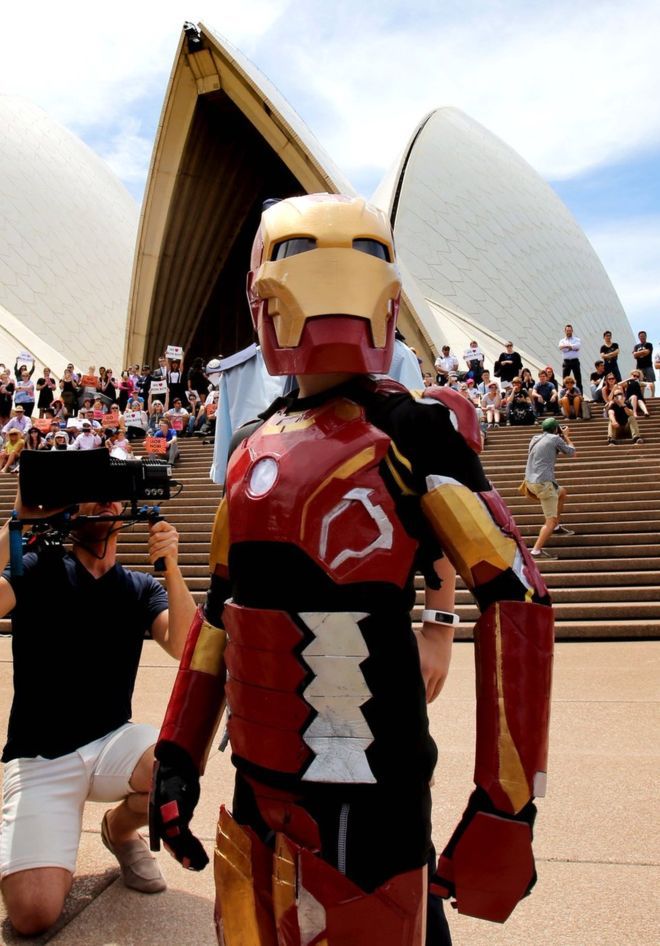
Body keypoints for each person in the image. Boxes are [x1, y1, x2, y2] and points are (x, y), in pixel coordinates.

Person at [149, 194, 554, 945]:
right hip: (259, 776)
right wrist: (178, 752)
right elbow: (220, 611)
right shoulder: (252, 446)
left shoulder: (412, 430)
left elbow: (516, 595)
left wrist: (508, 803)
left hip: (366, 784)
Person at [0, 487, 196, 936]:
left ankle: (120, 832)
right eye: (90, 492)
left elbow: (182, 645)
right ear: (69, 508)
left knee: (174, 767)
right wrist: (15, 520)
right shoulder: (37, 567)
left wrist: (172, 567)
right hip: (40, 757)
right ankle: (31, 846)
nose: (104, 499)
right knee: (32, 915)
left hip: (112, 742)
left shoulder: (139, 586)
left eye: (111, 492)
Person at [522, 417, 576, 560]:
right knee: (549, 521)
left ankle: (556, 527)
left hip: (530, 481)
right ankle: (536, 551)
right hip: (544, 484)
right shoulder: (555, 439)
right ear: (556, 429)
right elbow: (572, 452)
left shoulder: (534, 438)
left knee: (562, 492)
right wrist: (566, 436)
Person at [558, 324, 582, 391]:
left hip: (575, 361)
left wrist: (566, 347)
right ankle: (564, 395)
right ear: (565, 331)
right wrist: (572, 347)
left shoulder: (577, 339)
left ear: (572, 331)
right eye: (567, 330)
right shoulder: (562, 341)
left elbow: (578, 347)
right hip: (566, 362)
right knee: (565, 379)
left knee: (578, 379)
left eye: (570, 330)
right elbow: (562, 348)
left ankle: (580, 396)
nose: (569, 332)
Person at [632, 331, 655, 397]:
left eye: (643, 336)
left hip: (648, 366)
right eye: (641, 336)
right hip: (639, 367)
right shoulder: (636, 346)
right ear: (639, 337)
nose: (642, 337)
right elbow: (634, 355)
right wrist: (642, 352)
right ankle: (642, 396)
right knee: (640, 382)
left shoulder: (649, 344)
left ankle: (652, 396)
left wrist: (638, 353)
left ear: (646, 336)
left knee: (651, 381)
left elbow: (647, 352)